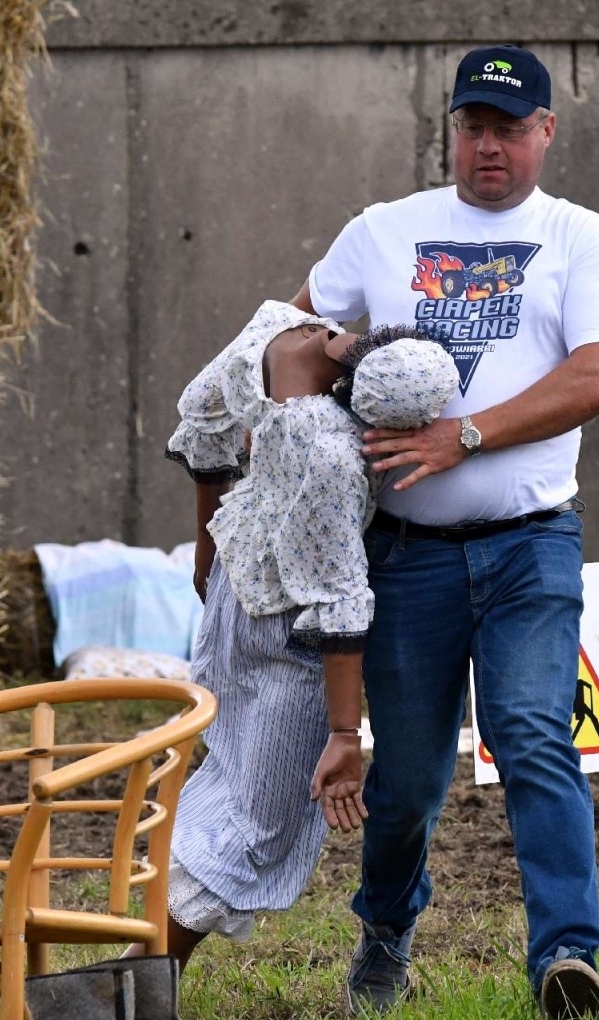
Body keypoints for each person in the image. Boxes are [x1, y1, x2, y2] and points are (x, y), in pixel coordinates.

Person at [291, 44, 599, 1020]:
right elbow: (288, 333)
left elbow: (598, 377)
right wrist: (339, 364)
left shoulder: (581, 238)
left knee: (534, 734)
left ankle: (566, 956)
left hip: (530, 542)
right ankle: (386, 937)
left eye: (510, 128)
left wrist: (463, 434)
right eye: (474, 125)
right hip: (405, 556)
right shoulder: (382, 233)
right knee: (403, 785)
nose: (491, 146)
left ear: (545, 134)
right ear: (451, 129)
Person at [154, 300, 457, 972]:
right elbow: (339, 603)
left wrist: (207, 549)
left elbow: (202, 422)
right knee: (261, 824)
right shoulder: (329, 451)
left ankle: (142, 941)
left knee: (227, 777)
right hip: (290, 636)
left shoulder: (271, 325)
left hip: (235, 594)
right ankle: (142, 975)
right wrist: (345, 736)